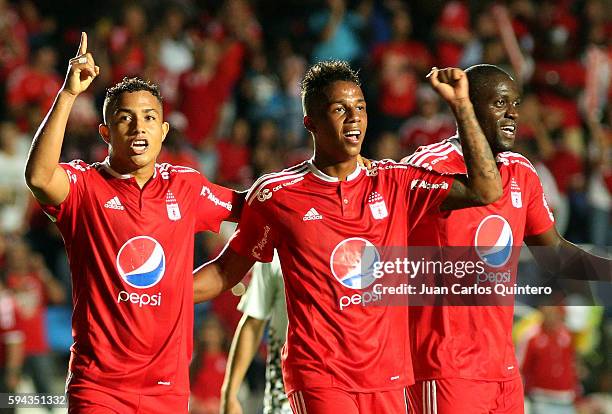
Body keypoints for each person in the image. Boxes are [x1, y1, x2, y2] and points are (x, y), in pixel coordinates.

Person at [192, 60, 504, 413]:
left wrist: (461, 107)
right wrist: (146, 292)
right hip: (319, 375)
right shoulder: (278, 194)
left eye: (360, 107)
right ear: (310, 121)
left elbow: (486, 190)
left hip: (388, 376)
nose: (354, 117)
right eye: (340, 109)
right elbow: (225, 272)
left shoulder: (393, 182)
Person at [24, 32, 240, 413]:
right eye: (125, 119)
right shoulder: (85, 187)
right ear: (106, 133)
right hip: (99, 387)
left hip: (167, 390)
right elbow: (40, 177)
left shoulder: (186, 185)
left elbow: (254, 207)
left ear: (164, 132)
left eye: (149, 118)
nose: (139, 127)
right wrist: (68, 95)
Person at [402, 64, 610, 414]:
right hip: (444, 367)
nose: (513, 112)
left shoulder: (522, 171)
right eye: (500, 103)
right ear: (468, 104)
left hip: (502, 370)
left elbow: (554, 254)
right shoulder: (428, 167)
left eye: (516, 102)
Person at [220, 252, 291, 414]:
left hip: (344, 383)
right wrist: (230, 393)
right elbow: (253, 322)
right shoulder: (277, 253)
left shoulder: (354, 251)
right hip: (283, 392)